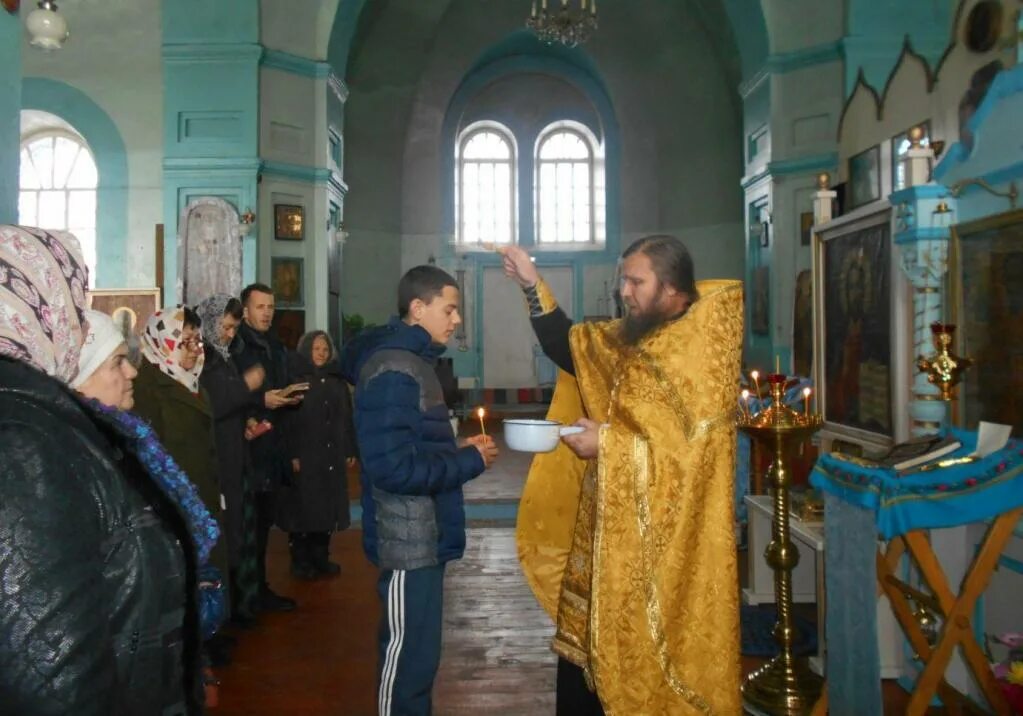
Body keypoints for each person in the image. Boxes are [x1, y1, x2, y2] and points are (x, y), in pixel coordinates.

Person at [502, 236, 744, 715]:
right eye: (622, 281)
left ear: (673, 287)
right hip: (609, 531)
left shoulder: (700, 352)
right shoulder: (635, 334)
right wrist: (532, 283)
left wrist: (607, 443)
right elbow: (569, 347)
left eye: (636, 281)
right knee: (585, 656)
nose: (624, 292)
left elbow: (689, 458)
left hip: (666, 552)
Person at [0, 226, 204, 714]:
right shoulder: (23, 441)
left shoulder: (41, 422)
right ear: (35, 311)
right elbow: (52, 670)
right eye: (67, 309)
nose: (77, 325)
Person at [340, 265, 499, 716]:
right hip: (406, 539)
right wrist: (467, 461)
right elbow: (392, 468)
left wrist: (455, 445)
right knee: (406, 662)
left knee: (421, 659)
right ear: (417, 307)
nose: (456, 320)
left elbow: (410, 442)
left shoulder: (414, 363)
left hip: (424, 536)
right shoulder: (394, 368)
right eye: (449, 309)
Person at [232, 282, 305, 612]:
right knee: (247, 527)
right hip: (246, 449)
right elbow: (226, 395)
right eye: (260, 307)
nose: (267, 312)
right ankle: (244, 597)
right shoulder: (236, 346)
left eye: (271, 307)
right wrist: (262, 399)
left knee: (263, 525)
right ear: (245, 310)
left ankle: (258, 589)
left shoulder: (274, 347)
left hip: (272, 445)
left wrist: (286, 396)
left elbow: (273, 390)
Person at [197, 294, 265, 624]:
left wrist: (247, 424)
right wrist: (246, 386)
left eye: (234, 328)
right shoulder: (203, 360)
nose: (229, 335)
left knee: (237, 532)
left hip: (234, 453)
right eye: (224, 327)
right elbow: (214, 404)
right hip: (217, 461)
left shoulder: (223, 357)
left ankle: (236, 607)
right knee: (223, 539)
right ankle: (219, 618)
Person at [279, 330, 358, 579]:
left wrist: (349, 449)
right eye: (316, 349)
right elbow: (287, 421)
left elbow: (346, 418)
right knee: (304, 509)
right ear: (306, 351)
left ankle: (321, 558)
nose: (321, 353)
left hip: (331, 455)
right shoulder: (296, 380)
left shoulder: (337, 381)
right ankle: (300, 561)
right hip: (305, 453)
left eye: (325, 349)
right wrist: (292, 454)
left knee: (327, 508)